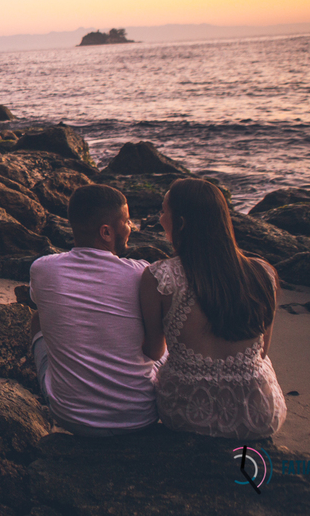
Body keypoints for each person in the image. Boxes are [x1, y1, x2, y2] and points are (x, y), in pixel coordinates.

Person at [139, 178, 287, 439]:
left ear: (181, 223)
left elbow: (153, 351)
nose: (160, 219)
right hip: (258, 415)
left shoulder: (160, 277)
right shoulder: (263, 273)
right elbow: (262, 352)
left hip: (186, 414)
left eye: (164, 211)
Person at [29, 184, 159, 436]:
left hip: (69, 416)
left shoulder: (42, 269)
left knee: (38, 319)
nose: (132, 227)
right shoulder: (141, 273)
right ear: (106, 232)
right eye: (127, 221)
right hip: (140, 415)